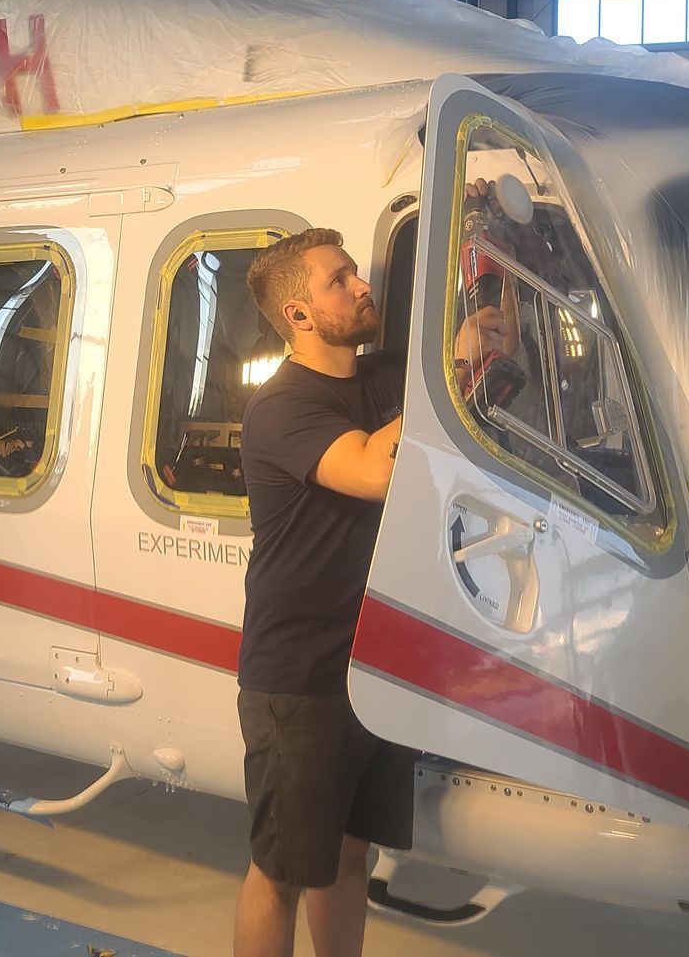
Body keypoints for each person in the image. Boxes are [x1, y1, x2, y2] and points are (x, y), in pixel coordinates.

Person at [234, 227, 412, 957]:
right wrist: (446, 386)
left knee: (348, 857)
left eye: (356, 275)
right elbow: (375, 468)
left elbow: (467, 362)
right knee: (281, 873)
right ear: (301, 315)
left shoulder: (382, 378)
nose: (363, 286)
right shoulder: (281, 406)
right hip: (301, 679)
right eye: (340, 280)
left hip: (374, 666)